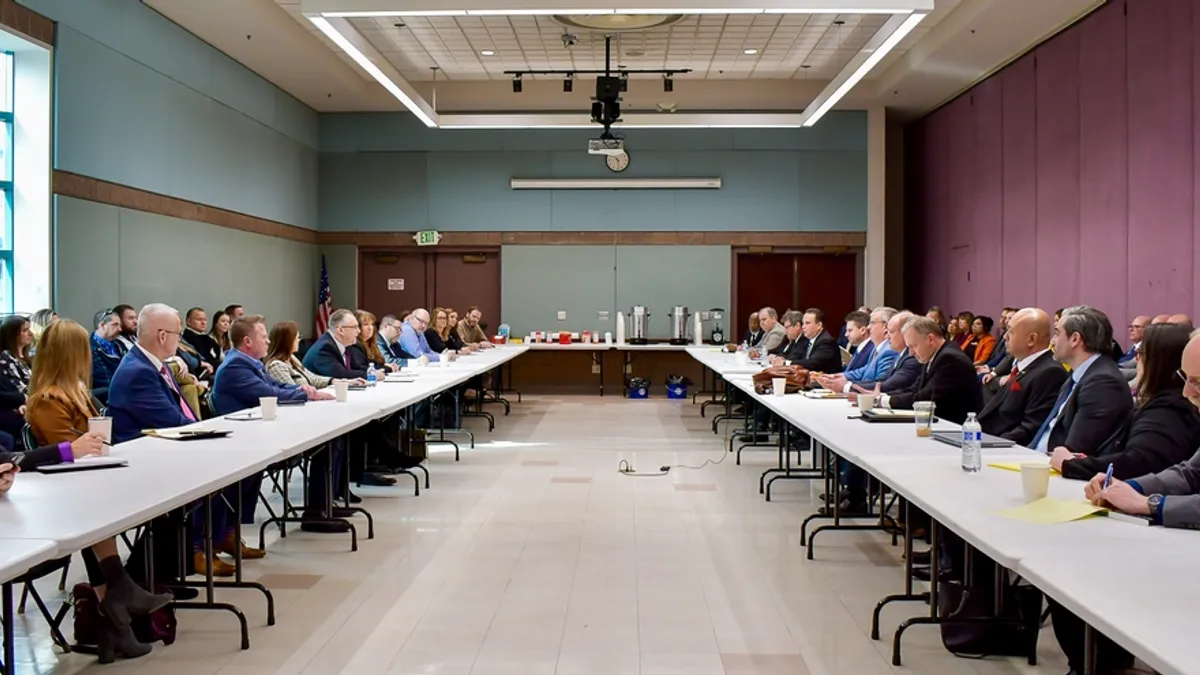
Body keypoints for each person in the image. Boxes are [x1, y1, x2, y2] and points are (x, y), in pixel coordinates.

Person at [24, 318, 172, 662]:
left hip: (84, 484)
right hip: (59, 493)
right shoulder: (47, 400)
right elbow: (66, 448)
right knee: (98, 514)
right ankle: (120, 600)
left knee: (113, 511)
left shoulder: (75, 392)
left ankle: (116, 611)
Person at [107, 304, 240, 577]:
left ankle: (178, 564)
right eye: (179, 334)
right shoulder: (138, 372)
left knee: (231, 469)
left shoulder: (151, 364)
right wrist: (210, 434)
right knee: (217, 473)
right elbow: (172, 421)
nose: (180, 340)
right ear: (162, 335)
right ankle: (186, 555)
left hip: (162, 450)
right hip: (143, 460)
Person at [1053, 323, 1200, 480]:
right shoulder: (1171, 403)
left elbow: (1137, 463)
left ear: (1159, 361)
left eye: (1141, 353)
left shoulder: (1168, 409)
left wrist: (1070, 464)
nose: (1137, 359)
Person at [1033, 306, 1132, 457]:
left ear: (1075, 339)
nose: (1052, 341)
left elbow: (1076, 451)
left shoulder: (1103, 383)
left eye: (1057, 333)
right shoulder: (1078, 376)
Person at [976, 308, 1068, 446]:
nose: (1005, 337)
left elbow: (1029, 428)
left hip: (1004, 451)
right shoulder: (1025, 366)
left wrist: (984, 443)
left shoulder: (1050, 372)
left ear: (1031, 339)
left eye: (1011, 331)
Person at [879, 315, 982, 425]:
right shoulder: (933, 354)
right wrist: (881, 396)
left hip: (954, 429)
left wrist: (883, 401)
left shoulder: (950, 359)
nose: (911, 353)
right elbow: (914, 390)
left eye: (913, 346)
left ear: (930, 339)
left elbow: (925, 399)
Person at [818, 307, 898, 392]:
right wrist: (839, 377)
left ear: (885, 327)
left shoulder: (889, 350)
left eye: (872, 323)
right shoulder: (878, 349)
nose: (868, 327)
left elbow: (880, 384)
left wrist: (845, 386)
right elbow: (863, 371)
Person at [0, 315, 34, 446]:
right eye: (25, 331)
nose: (30, 334)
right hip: (16, 407)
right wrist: (24, 400)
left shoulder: (27, 358)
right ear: (12, 335)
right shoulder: (5, 358)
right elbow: (15, 389)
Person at [790, 308, 842, 374]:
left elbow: (812, 363)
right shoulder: (807, 340)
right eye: (803, 323)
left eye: (807, 323)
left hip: (825, 382)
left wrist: (787, 363)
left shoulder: (826, 342)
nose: (803, 327)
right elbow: (796, 356)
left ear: (819, 325)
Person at [90, 309, 124, 403]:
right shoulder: (91, 348)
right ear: (102, 325)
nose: (120, 329)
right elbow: (104, 381)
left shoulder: (119, 345)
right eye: (115, 325)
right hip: (106, 399)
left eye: (120, 325)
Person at [183, 307, 223, 371]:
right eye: (199, 319)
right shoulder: (187, 339)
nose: (203, 323)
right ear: (189, 322)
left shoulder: (205, 337)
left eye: (204, 320)